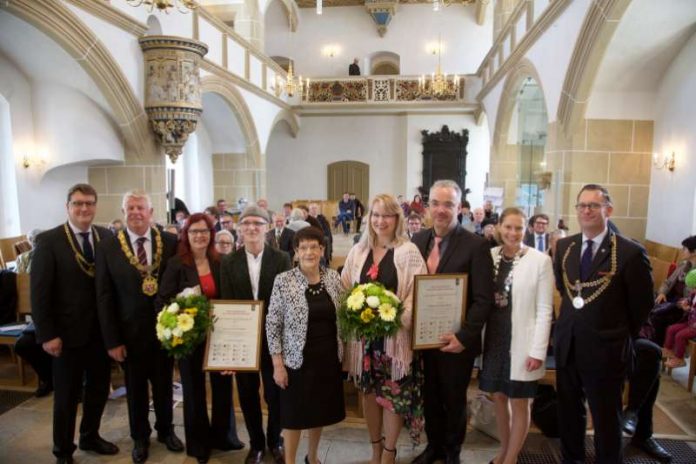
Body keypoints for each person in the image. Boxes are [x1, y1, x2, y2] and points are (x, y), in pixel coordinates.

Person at [553, 184, 653, 464]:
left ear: (608, 210)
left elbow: (642, 307)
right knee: (569, 416)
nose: (586, 211)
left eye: (593, 206)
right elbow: (566, 290)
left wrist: (616, 335)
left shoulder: (630, 253)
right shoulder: (564, 246)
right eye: (582, 205)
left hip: (606, 350)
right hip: (569, 345)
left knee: (607, 421)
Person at [31, 183, 117, 464]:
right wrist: (47, 334)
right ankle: (63, 450)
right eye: (78, 203)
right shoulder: (49, 241)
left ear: (95, 206)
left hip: (100, 334)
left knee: (97, 389)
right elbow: (39, 293)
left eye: (89, 203)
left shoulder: (105, 236)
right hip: (65, 336)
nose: (84, 209)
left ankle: (90, 435)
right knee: (67, 397)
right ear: (67, 207)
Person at [411, 180, 494, 464]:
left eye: (448, 204)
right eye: (435, 203)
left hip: (456, 341)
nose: (441, 210)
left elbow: (484, 299)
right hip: (423, 338)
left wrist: (464, 338)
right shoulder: (417, 241)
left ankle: (451, 452)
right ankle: (433, 446)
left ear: (460, 208)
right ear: (428, 206)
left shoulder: (476, 245)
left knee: (454, 399)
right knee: (430, 397)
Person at [96, 190, 182, 464]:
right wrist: (112, 340)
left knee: (164, 385)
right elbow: (104, 295)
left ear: (151, 212)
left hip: (164, 331)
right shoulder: (108, 246)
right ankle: (140, 437)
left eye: (140, 207)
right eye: (130, 207)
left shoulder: (169, 242)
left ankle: (166, 431)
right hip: (128, 334)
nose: (135, 212)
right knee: (135, 389)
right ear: (124, 212)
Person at [341, 194, 428, 464]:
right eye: (376, 215)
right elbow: (345, 287)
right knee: (368, 394)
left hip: (395, 340)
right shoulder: (359, 250)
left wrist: (397, 316)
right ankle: (375, 449)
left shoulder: (408, 251)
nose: (381, 221)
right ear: (369, 218)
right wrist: (353, 313)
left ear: (397, 219)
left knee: (392, 396)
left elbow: (417, 291)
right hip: (365, 341)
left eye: (387, 215)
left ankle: (389, 452)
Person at [157, 213, 245, 463]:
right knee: (194, 391)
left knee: (222, 387)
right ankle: (199, 444)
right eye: (194, 231)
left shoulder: (220, 262)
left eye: (204, 231)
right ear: (186, 234)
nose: (199, 236)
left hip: (218, 335)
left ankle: (224, 436)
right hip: (189, 337)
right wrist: (179, 315)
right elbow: (162, 300)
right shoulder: (176, 264)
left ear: (211, 234)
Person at [266, 227, 345, 464]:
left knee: (318, 412)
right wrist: (277, 365)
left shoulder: (333, 278)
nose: (309, 252)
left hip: (327, 358)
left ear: (322, 250)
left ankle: (313, 456)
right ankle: (290, 461)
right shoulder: (284, 280)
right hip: (295, 361)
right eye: (304, 248)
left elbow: (342, 318)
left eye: (314, 247)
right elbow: (272, 325)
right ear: (296, 252)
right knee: (294, 417)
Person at [480, 208, 553, 464]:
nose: (513, 233)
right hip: (495, 336)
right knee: (499, 397)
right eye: (508, 227)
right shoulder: (490, 256)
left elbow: (545, 309)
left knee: (520, 401)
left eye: (519, 228)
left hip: (523, 339)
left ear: (527, 230)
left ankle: (511, 459)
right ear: (499, 227)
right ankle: (502, 451)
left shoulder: (540, 260)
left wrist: (538, 350)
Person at [220, 205, 292, 464]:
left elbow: (285, 303)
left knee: (275, 394)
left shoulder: (281, 258)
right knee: (248, 394)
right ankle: (256, 444)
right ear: (239, 228)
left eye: (257, 223)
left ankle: (275, 440)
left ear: (267, 227)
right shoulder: (229, 262)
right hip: (243, 340)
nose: (251, 228)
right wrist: (229, 350)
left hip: (273, 341)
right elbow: (227, 305)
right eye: (246, 223)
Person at [621, 338, 673, 462]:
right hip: (590, 337)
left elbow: (646, 326)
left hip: (624, 338)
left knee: (650, 351)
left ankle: (639, 426)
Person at [662, 288, 696, 368]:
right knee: (671, 329)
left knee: (680, 336)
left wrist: (689, 309)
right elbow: (686, 301)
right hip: (689, 323)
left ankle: (679, 359)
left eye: (694, 287)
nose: (692, 290)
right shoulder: (693, 295)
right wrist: (683, 303)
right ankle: (668, 350)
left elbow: (692, 310)